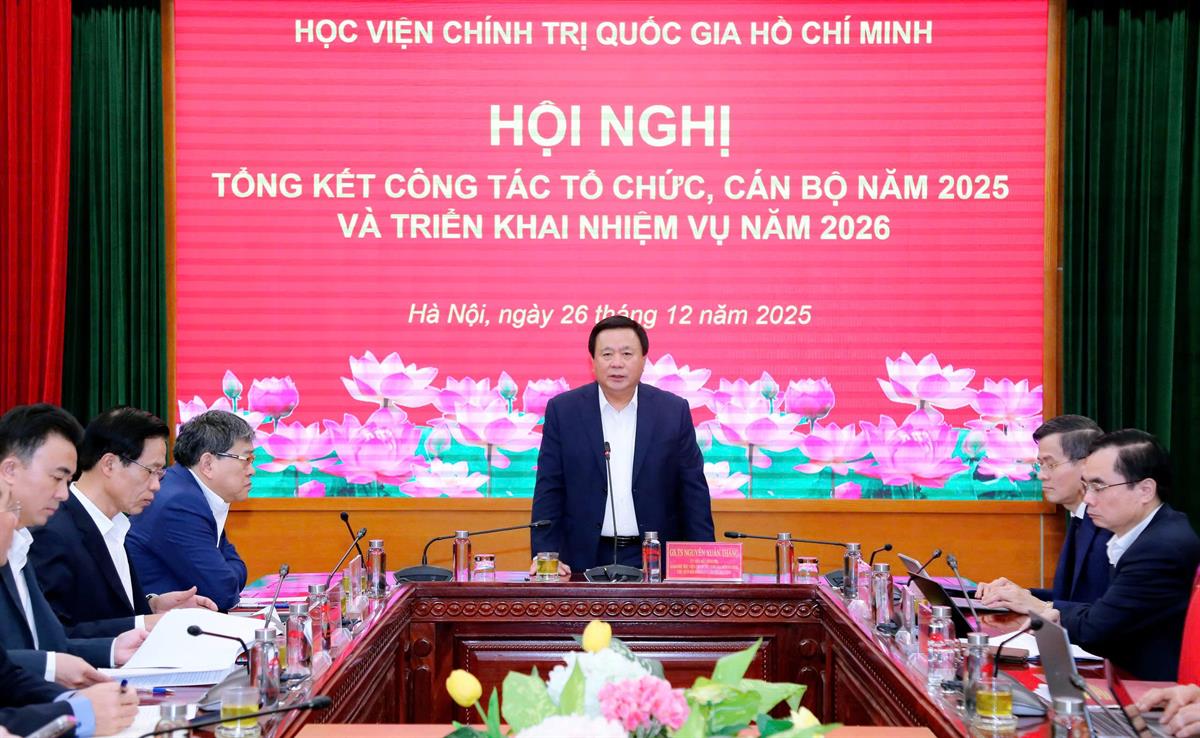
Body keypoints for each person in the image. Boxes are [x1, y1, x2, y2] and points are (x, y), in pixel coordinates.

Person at [530, 316, 714, 574]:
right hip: (582, 557)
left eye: (627, 353)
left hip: (654, 558)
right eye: (607, 354)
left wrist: (704, 560)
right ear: (592, 361)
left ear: (643, 360)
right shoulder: (564, 411)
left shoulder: (673, 411)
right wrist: (544, 556)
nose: (617, 363)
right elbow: (549, 488)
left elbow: (693, 492)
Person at [31, 407, 217, 639]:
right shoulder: (52, 531)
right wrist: (142, 623)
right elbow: (53, 636)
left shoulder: (116, 525)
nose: (156, 486)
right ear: (109, 464)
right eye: (150, 471)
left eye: (160, 474)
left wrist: (153, 606)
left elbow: (108, 613)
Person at [0, 405, 146, 687]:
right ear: (10, 470)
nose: (63, 494)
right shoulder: (34, 538)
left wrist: (111, 649)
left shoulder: (20, 543)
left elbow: (49, 644)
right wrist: (73, 706)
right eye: (57, 478)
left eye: (67, 481)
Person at [1043, 429, 1200, 681]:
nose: (1088, 498)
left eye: (1098, 486)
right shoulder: (1148, 533)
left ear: (1145, 490)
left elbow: (1096, 629)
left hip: (1150, 690)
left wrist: (1052, 611)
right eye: (1086, 486)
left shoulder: (1160, 548)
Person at [977, 415, 1110, 613]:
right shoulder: (1079, 518)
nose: (1041, 475)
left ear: (1086, 465)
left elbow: (1101, 613)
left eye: (1051, 465)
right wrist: (1019, 594)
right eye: (1040, 464)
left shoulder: (1109, 526)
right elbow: (1068, 597)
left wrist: (1037, 605)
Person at [127, 410, 253, 611]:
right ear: (207, 464)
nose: (252, 470)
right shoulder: (180, 503)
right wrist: (229, 574)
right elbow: (224, 592)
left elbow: (232, 569)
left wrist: (228, 574)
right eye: (245, 459)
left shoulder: (189, 491)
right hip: (153, 624)